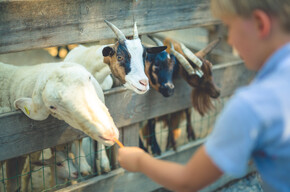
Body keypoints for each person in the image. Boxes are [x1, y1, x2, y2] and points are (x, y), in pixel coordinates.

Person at [117, 0, 290, 191]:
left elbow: (188, 181)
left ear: (260, 24)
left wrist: (140, 161)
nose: (230, 40)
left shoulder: (251, 105)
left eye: (229, 27)